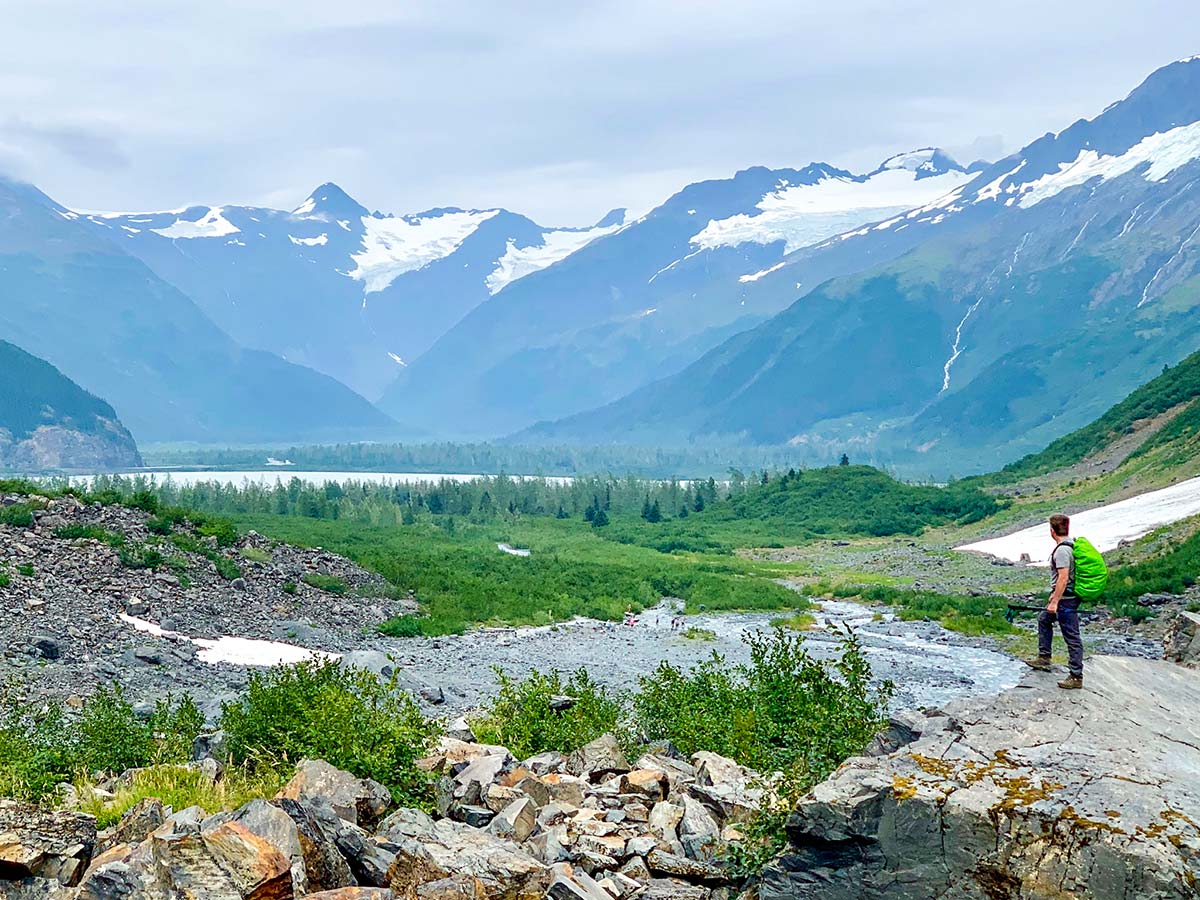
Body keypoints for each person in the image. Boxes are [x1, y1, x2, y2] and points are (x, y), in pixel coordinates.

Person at [1024, 514, 1083, 689]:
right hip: (1065, 598)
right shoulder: (1070, 546)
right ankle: (1044, 658)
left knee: (1071, 636)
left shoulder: (1063, 551)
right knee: (1044, 619)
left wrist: (1055, 601)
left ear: (1052, 531)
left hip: (1066, 600)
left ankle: (1076, 676)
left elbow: (1063, 578)